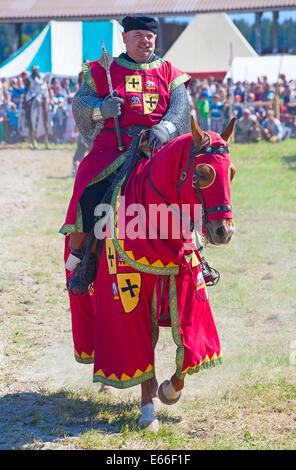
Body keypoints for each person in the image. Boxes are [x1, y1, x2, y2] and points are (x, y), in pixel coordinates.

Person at [60, 13, 191, 296]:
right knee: (89, 189)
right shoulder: (101, 70)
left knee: (192, 189)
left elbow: (181, 110)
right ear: (125, 38)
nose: (145, 41)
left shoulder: (170, 72)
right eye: (138, 36)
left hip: (157, 149)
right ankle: (84, 258)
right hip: (112, 149)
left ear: (155, 38)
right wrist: (101, 109)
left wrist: (166, 129)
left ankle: (195, 253)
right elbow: (80, 104)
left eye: (149, 37)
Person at [18, 65, 50, 149]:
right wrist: (26, 100)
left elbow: (45, 88)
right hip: (32, 97)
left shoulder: (42, 77)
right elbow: (27, 90)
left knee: (46, 118)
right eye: (33, 70)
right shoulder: (29, 78)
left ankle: (46, 142)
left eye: (36, 70)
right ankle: (33, 142)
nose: (35, 72)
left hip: (42, 97)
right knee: (30, 119)